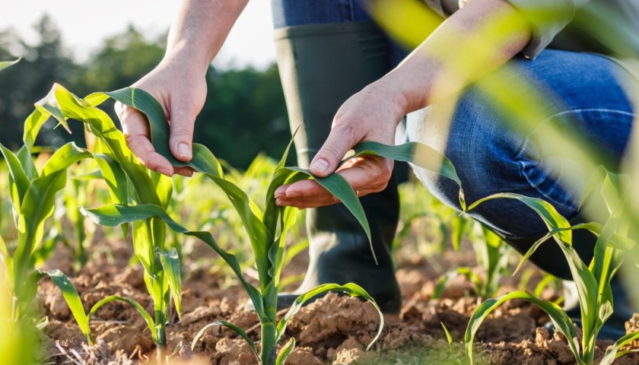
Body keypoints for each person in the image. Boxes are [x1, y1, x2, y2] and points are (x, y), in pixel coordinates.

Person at [117, 0, 638, 338]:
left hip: (618, 77)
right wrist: (184, 56)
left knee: (466, 122)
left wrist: (393, 94)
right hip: (521, 70)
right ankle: (349, 270)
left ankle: (625, 288)